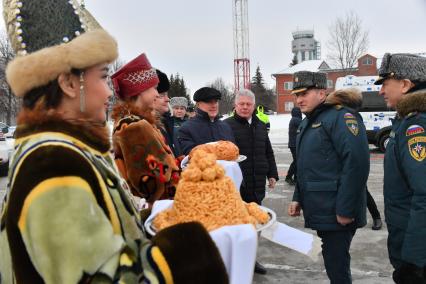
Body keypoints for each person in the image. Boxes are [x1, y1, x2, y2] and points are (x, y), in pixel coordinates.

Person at [0, 1, 228, 283]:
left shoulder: (62, 151)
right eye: (104, 77)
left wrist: (148, 220)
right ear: (69, 83)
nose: (110, 92)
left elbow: (96, 237)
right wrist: (193, 249)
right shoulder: (52, 164)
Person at [287, 71, 370, 284]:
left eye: (304, 93)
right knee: (333, 261)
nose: (299, 100)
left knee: (337, 265)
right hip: (322, 207)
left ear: (322, 93)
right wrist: (298, 197)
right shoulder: (309, 122)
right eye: (296, 95)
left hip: (337, 210)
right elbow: (306, 167)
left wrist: (346, 209)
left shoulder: (342, 117)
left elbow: (356, 165)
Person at [374, 53, 426, 283]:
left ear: (405, 85)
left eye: (385, 83)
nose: (381, 91)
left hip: (416, 256)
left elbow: (424, 194)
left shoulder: (416, 127)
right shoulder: (407, 121)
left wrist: (414, 261)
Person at [111, 54, 181, 206]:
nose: (157, 94)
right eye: (154, 88)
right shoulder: (135, 127)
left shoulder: (134, 122)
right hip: (159, 210)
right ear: (140, 91)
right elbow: (155, 182)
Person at [224, 89, 278, 275]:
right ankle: (232, 261)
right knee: (235, 225)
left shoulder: (260, 125)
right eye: (242, 104)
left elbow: (268, 151)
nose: (245, 107)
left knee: (255, 224)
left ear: (254, 106)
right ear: (235, 105)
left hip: (257, 184)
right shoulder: (226, 126)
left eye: (249, 104)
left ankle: (251, 260)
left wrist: (272, 174)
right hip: (236, 186)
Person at [177, 87, 235, 155]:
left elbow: (233, 150)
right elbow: (190, 156)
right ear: (198, 104)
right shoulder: (186, 128)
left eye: (216, 101)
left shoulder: (225, 126)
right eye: (209, 102)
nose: (214, 105)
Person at [285, 107, 302, 185]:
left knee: (297, 161)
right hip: (294, 144)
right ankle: (288, 177)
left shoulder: (294, 119)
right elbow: (304, 126)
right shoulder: (296, 120)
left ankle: (296, 178)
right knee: (296, 161)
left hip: (294, 144)